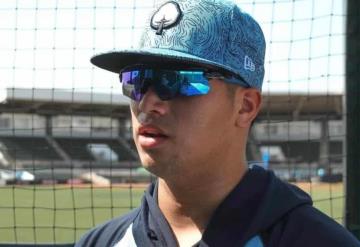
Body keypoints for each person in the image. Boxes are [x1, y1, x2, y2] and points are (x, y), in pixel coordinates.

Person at [76, 0, 360, 246]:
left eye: (179, 81)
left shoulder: (317, 241)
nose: (147, 104)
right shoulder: (99, 242)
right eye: (136, 81)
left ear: (245, 106)